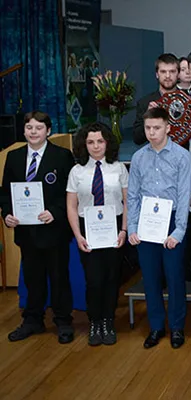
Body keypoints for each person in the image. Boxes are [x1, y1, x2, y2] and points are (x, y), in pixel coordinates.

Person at [1, 111, 75, 343]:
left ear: (48, 131)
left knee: (59, 276)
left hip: (54, 230)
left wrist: (55, 212)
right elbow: (5, 193)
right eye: (29, 128)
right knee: (32, 277)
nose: (33, 132)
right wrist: (7, 215)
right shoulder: (13, 157)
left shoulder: (62, 156)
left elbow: (70, 193)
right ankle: (32, 320)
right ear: (23, 131)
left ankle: (63, 321)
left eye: (39, 128)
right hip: (26, 231)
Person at [127, 107, 191, 349]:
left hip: (172, 218)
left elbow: (185, 195)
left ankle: (176, 327)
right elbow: (132, 195)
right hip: (146, 221)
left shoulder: (181, 156)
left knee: (174, 277)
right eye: (148, 128)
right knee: (150, 277)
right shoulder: (138, 158)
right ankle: (156, 327)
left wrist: (179, 231)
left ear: (167, 127)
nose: (152, 133)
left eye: (156, 128)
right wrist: (132, 226)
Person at [66, 122, 128, 346]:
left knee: (112, 278)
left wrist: (124, 229)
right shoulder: (77, 171)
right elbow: (71, 206)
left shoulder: (118, 168)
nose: (95, 146)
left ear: (107, 143)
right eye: (90, 142)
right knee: (93, 280)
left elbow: (127, 201)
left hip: (113, 227)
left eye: (100, 141)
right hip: (87, 228)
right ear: (84, 144)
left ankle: (108, 322)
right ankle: (95, 322)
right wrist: (78, 235)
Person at [132, 53, 180, 145]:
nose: (167, 76)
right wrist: (147, 116)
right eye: (163, 72)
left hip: (182, 156)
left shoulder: (188, 100)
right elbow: (137, 139)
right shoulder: (144, 103)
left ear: (178, 74)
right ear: (157, 74)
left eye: (172, 71)